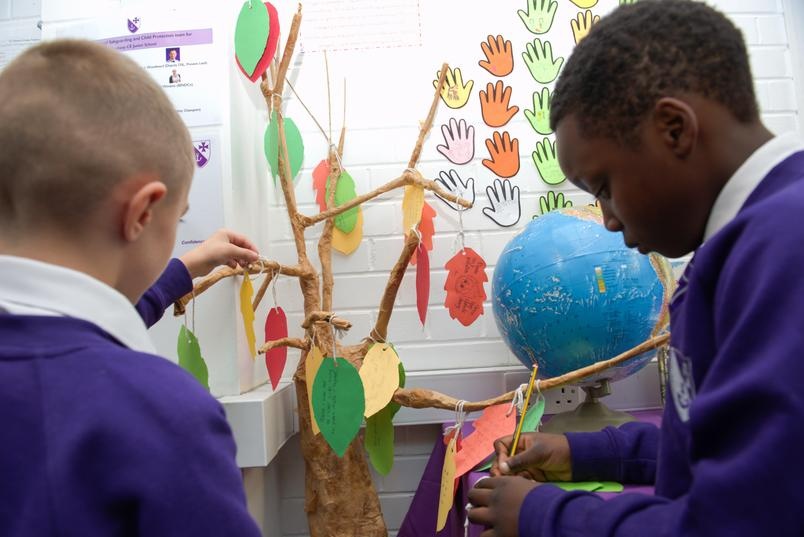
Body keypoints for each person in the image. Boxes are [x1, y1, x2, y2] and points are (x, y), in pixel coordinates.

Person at [468, 1, 804, 536]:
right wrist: (582, 454)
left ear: (674, 129)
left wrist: (542, 515)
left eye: (603, 187)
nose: (605, 219)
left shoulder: (784, 249)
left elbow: (741, 522)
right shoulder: (743, 245)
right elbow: (721, 445)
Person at [0, 40, 263, 536]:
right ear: (142, 212)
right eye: (176, 220)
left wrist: (188, 265)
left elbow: (70, 331)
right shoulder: (162, 412)